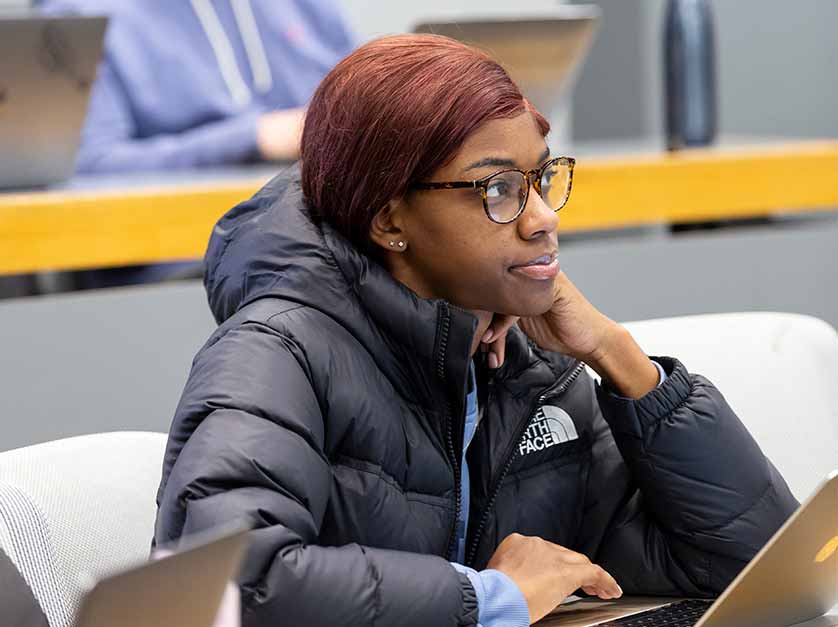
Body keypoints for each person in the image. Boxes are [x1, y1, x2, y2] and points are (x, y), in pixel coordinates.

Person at [153, 35, 798, 627]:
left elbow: (753, 567)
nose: (542, 218)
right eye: (499, 189)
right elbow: (227, 590)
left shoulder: (529, 366)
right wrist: (492, 599)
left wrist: (615, 353)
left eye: (542, 179)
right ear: (388, 219)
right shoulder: (275, 351)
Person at [42, 0, 354, 173]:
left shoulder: (308, 7)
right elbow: (90, 165)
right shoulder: (83, 13)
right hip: (181, 255)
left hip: (334, 240)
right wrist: (253, 138)